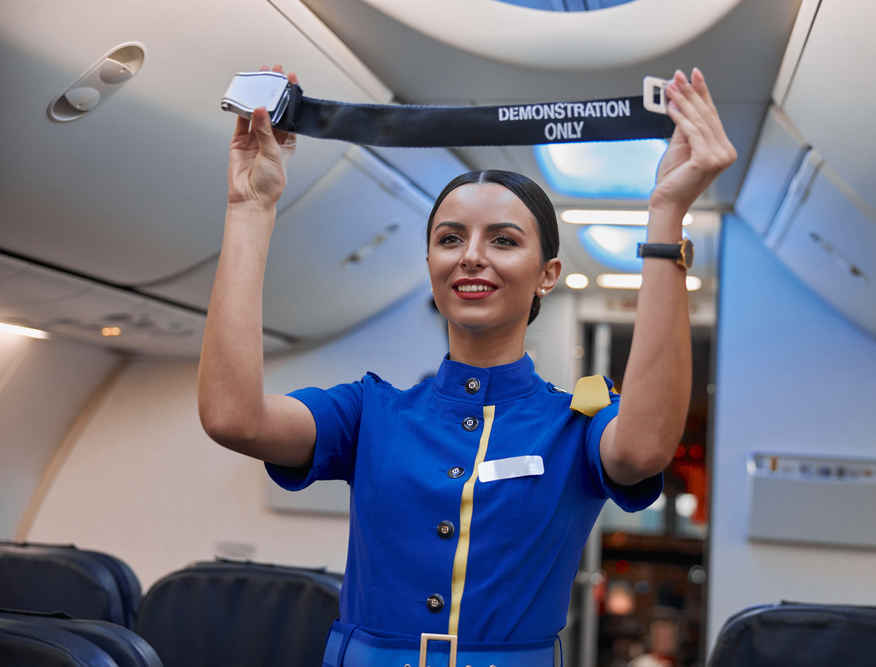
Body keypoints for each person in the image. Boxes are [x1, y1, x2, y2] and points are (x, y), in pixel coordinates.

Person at [198, 65, 736, 667]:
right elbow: (232, 417)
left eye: (504, 241)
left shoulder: (578, 423)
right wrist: (249, 207)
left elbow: (644, 450)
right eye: (451, 239)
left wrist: (665, 214)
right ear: (430, 261)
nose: (472, 257)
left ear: (548, 275)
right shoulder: (369, 412)